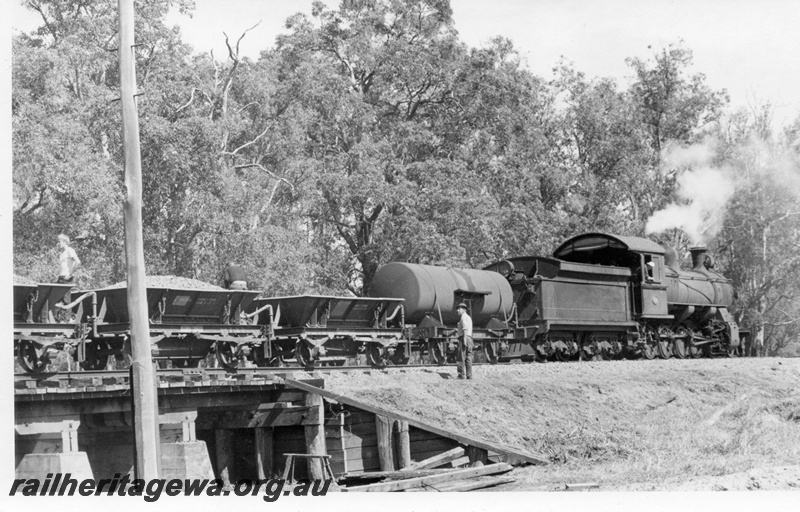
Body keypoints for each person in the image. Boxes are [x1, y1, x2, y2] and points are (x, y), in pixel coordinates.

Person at [456, 303, 473, 380]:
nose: (457, 310)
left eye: (459, 309)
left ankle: (461, 375)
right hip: (469, 338)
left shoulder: (464, 317)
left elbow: (465, 329)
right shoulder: (468, 317)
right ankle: (469, 375)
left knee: (461, 356)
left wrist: (464, 339)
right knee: (468, 357)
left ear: (463, 310)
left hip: (464, 337)